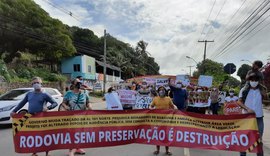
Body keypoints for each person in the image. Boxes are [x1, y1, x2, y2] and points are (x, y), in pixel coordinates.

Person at [10, 77, 58, 156]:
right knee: (33, 135)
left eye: (38, 82)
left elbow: (55, 103)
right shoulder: (29, 94)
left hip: (42, 117)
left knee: (45, 135)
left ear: (41, 84)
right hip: (31, 117)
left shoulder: (45, 94)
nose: (36, 84)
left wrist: (48, 108)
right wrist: (14, 111)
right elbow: (22, 103)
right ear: (32, 85)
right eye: (34, 83)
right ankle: (34, 152)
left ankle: (47, 153)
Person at [61, 78, 92, 156]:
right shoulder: (69, 93)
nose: (79, 84)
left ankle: (78, 148)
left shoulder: (84, 93)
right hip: (71, 117)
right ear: (73, 84)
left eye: (80, 82)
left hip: (82, 117)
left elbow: (88, 102)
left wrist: (90, 106)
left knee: (80, 133)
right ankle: (71, 150)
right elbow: (63, 103)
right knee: (72, 133)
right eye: (77, 82)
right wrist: (66, 107)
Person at [238, 73, 267, 156]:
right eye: (252, 80)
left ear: (259, 81)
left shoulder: (262, 90)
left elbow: (266, 100)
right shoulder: (244, 90)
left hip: (259, 118)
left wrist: (263, 91)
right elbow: (239, 102)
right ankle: (243, 155)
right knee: (244, 138)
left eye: (256, 80)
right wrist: (247, 109)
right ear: (249, 80)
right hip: (246, 118)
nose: (254, 82)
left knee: (258, 139)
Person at [149, 86, 175, 156]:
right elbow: (151, 106)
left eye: (163, 90)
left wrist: (176, 108)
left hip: (167, 121)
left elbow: (173, 106)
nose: (162, 91)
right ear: (158, 91)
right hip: (157, 121)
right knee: (158, 135)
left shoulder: (168, 99)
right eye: (160, 90)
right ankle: (157, 150)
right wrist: (150, 108)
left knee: (166, 135)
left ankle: (167, 150)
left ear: (165, 91)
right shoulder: (155, 99)